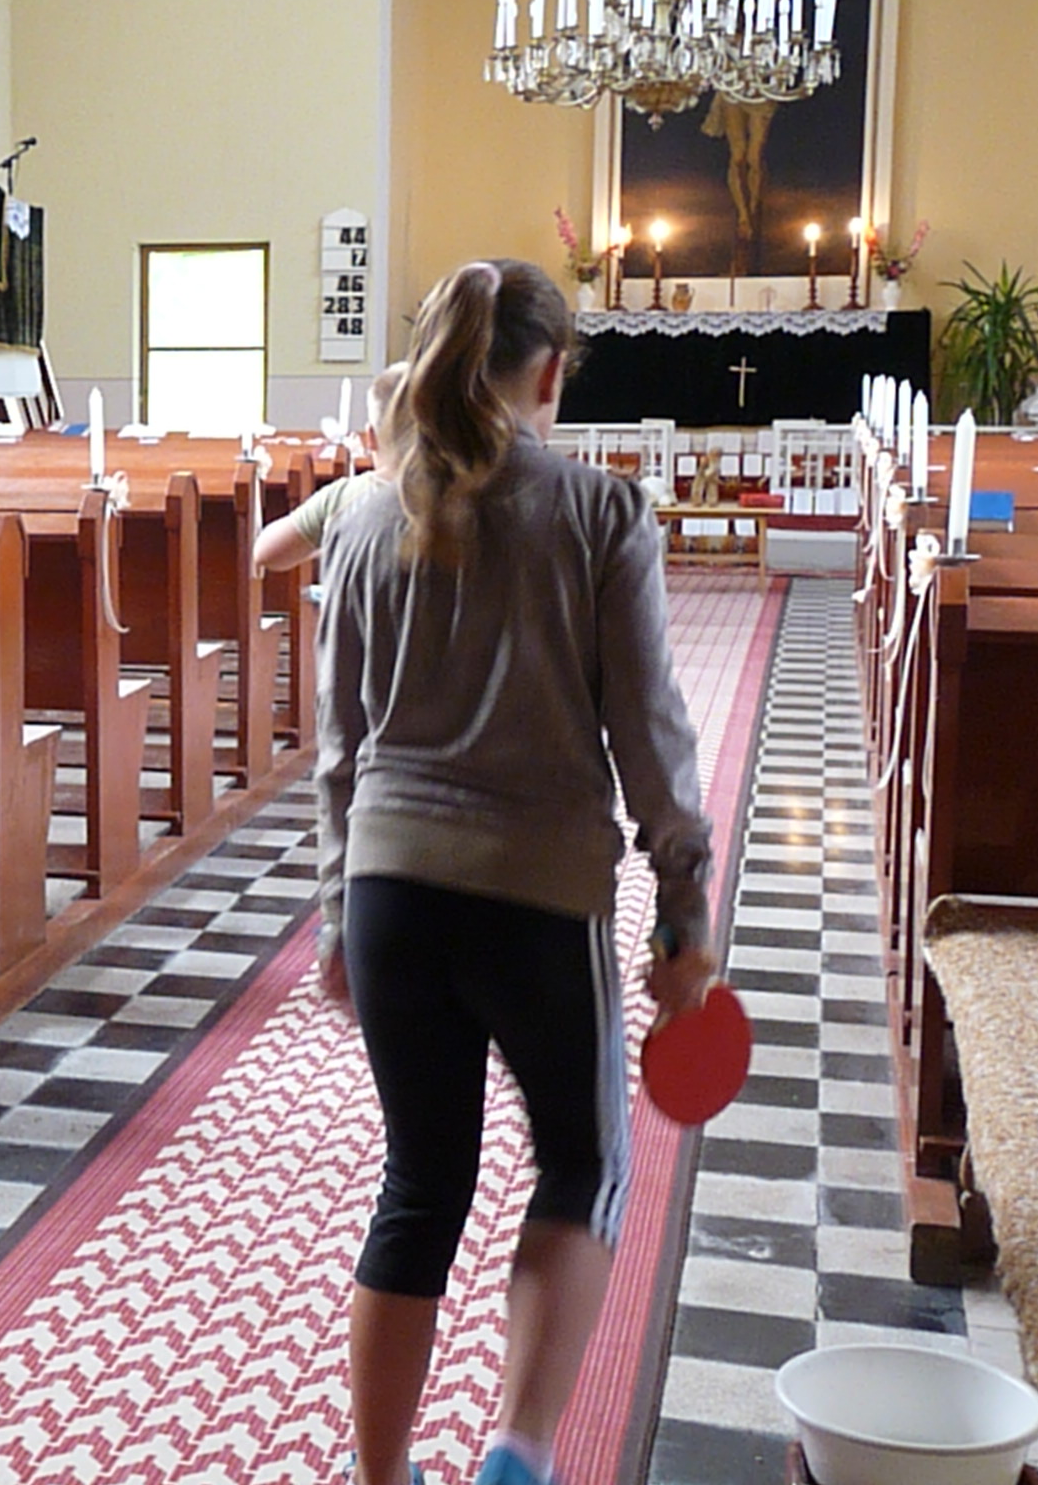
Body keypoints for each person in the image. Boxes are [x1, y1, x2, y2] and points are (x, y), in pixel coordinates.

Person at [315, 258, 715, 1485]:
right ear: (548, 374)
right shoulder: (599, 512)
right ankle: (517, 1455)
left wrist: (334, 915)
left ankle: (381, 1480)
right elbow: (649, 733)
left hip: (388, 894)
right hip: (535, 904)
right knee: (582, 1167)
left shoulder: (362, 515)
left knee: (418, 1184)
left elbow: (335, 745)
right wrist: (684, 912)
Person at [252, 361, 409, 577]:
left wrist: (327, 547)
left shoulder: (346, 497)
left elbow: (266, 553)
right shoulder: (455, 497)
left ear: (370, 437)